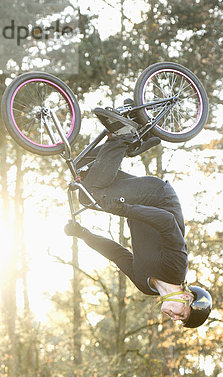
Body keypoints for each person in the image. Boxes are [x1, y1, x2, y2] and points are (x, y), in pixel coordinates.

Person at [64, 108, 212, 328]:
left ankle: (136, 137)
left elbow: (116, 254)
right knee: (90, 196)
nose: (174, 318)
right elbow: (167, 222)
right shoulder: (177, 267)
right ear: (188, 298)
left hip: (136, 204)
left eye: (179, 321)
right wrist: (125, 209)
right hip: (158, 197)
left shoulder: (145, 285)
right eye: (182, 315)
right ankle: (125, 135)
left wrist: (83, 234)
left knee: (83, 169)